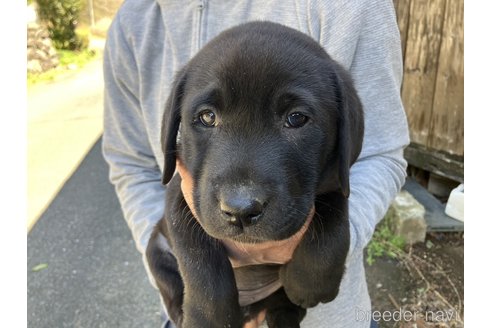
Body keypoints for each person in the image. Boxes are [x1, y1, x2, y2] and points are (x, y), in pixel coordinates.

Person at [102, 0, 410, 327]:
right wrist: (201, 298)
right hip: (195, 309)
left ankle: (284, 311)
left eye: (296, 118)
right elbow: (132, 164)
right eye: (207, 117)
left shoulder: (349, 7)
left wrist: (318, 251)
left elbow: (378, 154)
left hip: (330, 320)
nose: (241, 201)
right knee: (161, 247)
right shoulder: (134, 22)